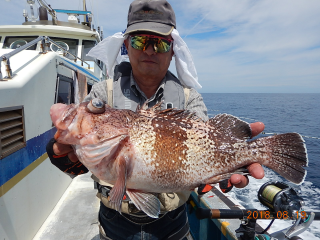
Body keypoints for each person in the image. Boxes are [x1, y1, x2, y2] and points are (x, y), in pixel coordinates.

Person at [46, 0, 265, 239]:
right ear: (126, 46)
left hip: (171, 224)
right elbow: (79, 156)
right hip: (114, 222)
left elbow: (206, 145)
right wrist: (63, 154)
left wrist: (238, 159)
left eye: (159, 43)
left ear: (172, 51)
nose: (149, 50)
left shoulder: (190, 99)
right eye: (140, 41)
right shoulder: (101, 94)